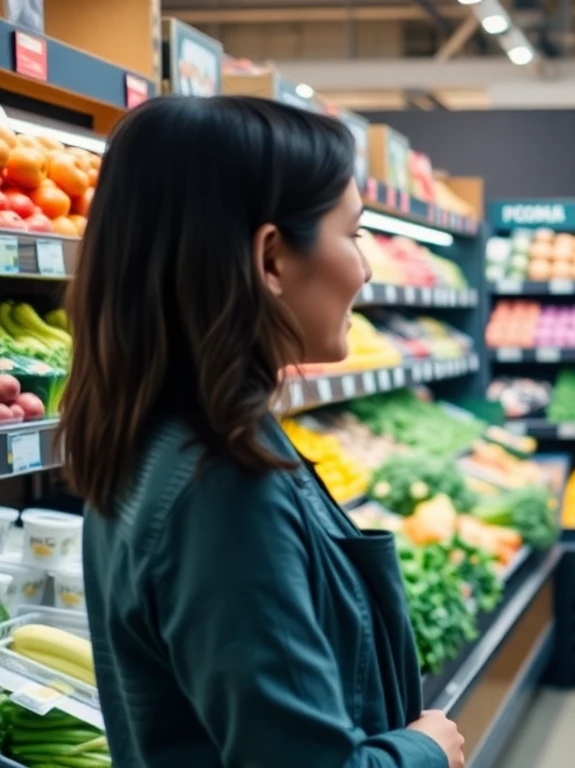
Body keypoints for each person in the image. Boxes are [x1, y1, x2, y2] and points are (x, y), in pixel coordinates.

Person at [60, 96, 466, 768]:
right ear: (272, 259)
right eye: (355, 234)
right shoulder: (225, 484)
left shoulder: (152, 434)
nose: (366, 269)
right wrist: (422, 751)